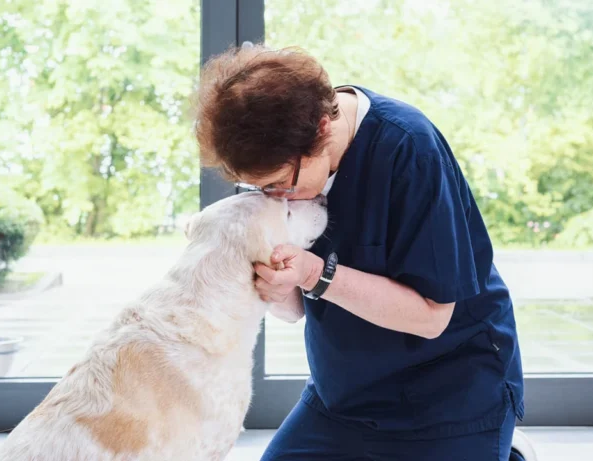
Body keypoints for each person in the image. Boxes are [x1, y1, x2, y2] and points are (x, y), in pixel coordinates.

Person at [195, 43, 529, 461]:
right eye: (259, 188)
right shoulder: (285, 170)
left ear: (322, 129)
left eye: (280, 183)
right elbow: (296, 308)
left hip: (451, 395)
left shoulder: (409, 147)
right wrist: (279, 287)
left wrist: (315, 274)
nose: (276, 198)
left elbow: (432, 316)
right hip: (344, 398)